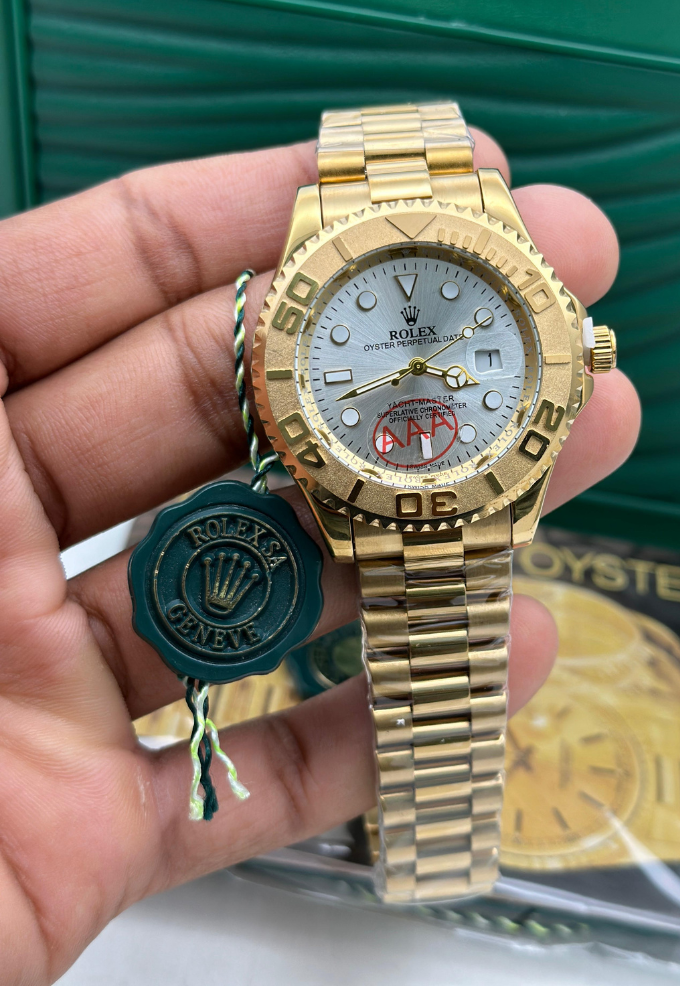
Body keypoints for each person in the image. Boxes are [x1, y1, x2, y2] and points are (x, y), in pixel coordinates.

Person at [0, 130, 639, 984]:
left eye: (432, 359)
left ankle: (438, 862)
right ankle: (431, 868)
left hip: (450, 491)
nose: (416, 369)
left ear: (576, 353)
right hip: (365, 485)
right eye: (402, 364)